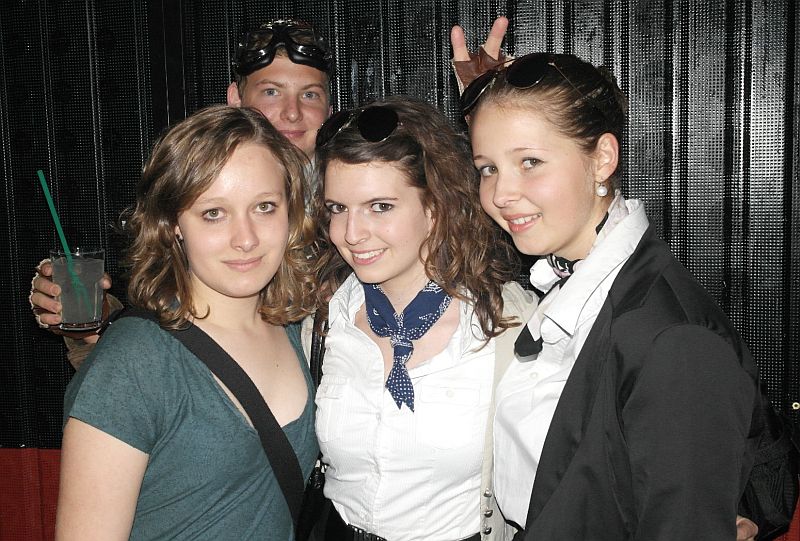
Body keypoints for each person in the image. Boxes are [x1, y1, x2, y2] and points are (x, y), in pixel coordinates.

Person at [462, 49, 764, 539]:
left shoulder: (672, 339)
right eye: (488, 168)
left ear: (602, 158)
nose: (500, 194)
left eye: (530, 162)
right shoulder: (576, 276)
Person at [55, 105, 318, 539]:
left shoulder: (301, 332)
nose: (246, 238)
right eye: (214, 212)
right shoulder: (135, 362)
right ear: (173, 223)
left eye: (265, 207)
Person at [30, 18, 334, 369]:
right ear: (236, 100)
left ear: (329, 109)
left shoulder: (353, 212)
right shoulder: (187, 188)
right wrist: (96, 318)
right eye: (271, 92)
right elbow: (158, 322)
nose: (292, 112)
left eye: (309, 94)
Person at [310, 95, 532, 541]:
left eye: (380, 206)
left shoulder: (505, 329)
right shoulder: (323, 319)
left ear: (434, 207)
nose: (351, 234)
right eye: (338, 208)